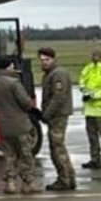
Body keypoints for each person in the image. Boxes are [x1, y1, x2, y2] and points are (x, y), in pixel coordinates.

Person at [0, 56, 40, 194]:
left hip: (3, 125)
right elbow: (25, 103)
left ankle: (10, 183)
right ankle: (27, 183)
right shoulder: (14, 82)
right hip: (19, 124)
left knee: (9, 156)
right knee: (25, 155)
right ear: (9, 66)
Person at [37, 46, 77, 191]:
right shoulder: (50, 74)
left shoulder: (58, 74)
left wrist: (46, 114)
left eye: (47, 60)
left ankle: (64, 179)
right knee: (59, 148)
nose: (44, 62)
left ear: (53, 59)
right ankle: (69, 178)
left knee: (57, 148)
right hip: (55, 115)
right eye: (42, 60)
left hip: (58, 115)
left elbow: (58, 97)